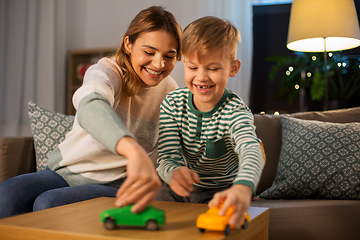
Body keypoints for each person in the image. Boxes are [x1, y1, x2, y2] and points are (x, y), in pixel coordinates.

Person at [0, 6, 182, 219]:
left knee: (49, 203)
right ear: (128, 44)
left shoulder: (170, 90)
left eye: (169, 56)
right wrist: (132, 150)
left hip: (116, 183)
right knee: (6, 194)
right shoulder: (107, 70)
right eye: (149, 52)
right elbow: (90, 104)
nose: (159, 64)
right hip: (64, 173)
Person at [155, 16, 265, 228]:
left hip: (220, 191)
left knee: (220, 224)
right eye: (193, 67)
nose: (201, 77)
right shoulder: (171, 104)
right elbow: (166, 158)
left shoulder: (235, 111)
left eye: (213, 68)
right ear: (184, 63)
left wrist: (243, 187)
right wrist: (174, 173)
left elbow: (252, 150)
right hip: (178, 190)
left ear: (233, 68)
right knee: (154, 216)